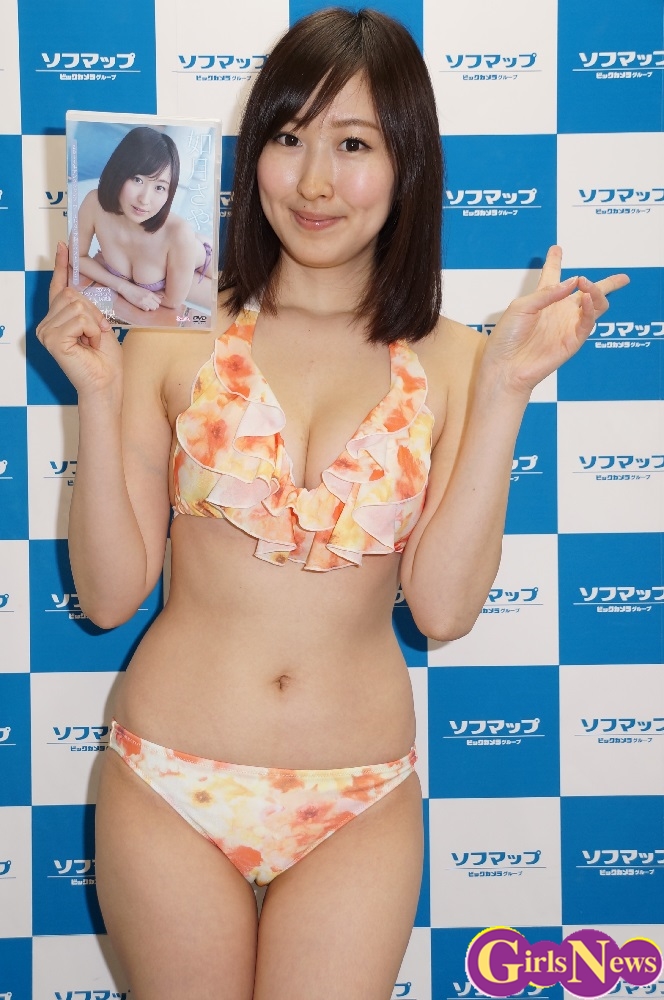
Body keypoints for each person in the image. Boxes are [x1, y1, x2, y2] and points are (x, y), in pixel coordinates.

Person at [37, 8, 628, 999]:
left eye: (353, 145)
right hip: (169, 775)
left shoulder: (459, 359)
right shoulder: (173, 336)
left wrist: (505, 392)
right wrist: (97, 393)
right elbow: (107, 596)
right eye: (288, 137)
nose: (314, 181)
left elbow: (441, 610)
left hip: (359, 799)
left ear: (406, 164)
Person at [72, 125, 213, 312]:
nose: (144, 200)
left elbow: (171, 302)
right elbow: (76, 257)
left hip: (202, 259)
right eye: (137, 180)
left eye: (160, 187)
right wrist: (124, 287)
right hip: (174, 263)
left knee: (234, 299)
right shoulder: (94, 202)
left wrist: (103, 270)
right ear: (119, 171)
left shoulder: (179, 233)